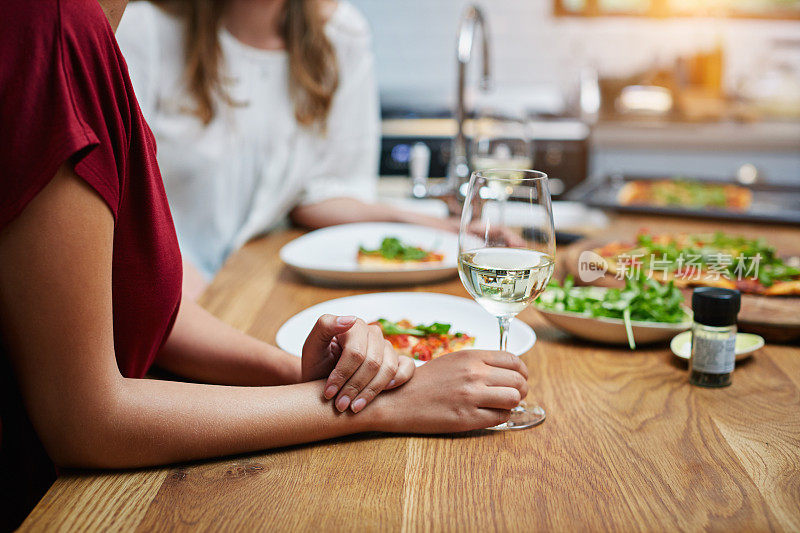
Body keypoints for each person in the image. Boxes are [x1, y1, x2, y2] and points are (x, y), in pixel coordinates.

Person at [0, 1, 529, 528]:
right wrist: (382, 406)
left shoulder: (86, 31)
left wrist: (311, 376)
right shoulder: (53, 24)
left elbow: (139, 309)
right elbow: (86, 420)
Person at [116, 0, 457, 299]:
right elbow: (123, 213)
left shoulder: (339, 36)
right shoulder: (143, 30)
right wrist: (191, 299)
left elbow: (322, 193)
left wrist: (425, 222)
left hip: (250, 288)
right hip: (156, 297)